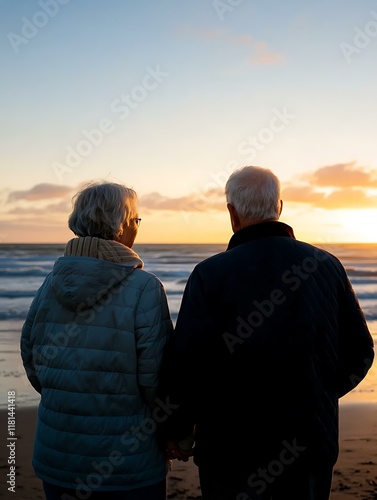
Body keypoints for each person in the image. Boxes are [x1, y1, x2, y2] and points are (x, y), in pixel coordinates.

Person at [163, 166, 375, 500]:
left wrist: (176, 428)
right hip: (308, 444)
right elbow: (361, 351)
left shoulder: (210, 274)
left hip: (230, 449)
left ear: (232, 214)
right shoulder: (326, 265)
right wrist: (317, 396)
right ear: (279, 207)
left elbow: (187, 363)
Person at [20, 181, 173, 500]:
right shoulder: (144, 288)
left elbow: (31, 357)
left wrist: (71, 394)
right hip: (127, 463)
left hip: (58, 456)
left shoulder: (51, 283)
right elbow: (157, 379)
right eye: (136, 220)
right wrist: (175, 434)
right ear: (120, 226)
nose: (136, 228)